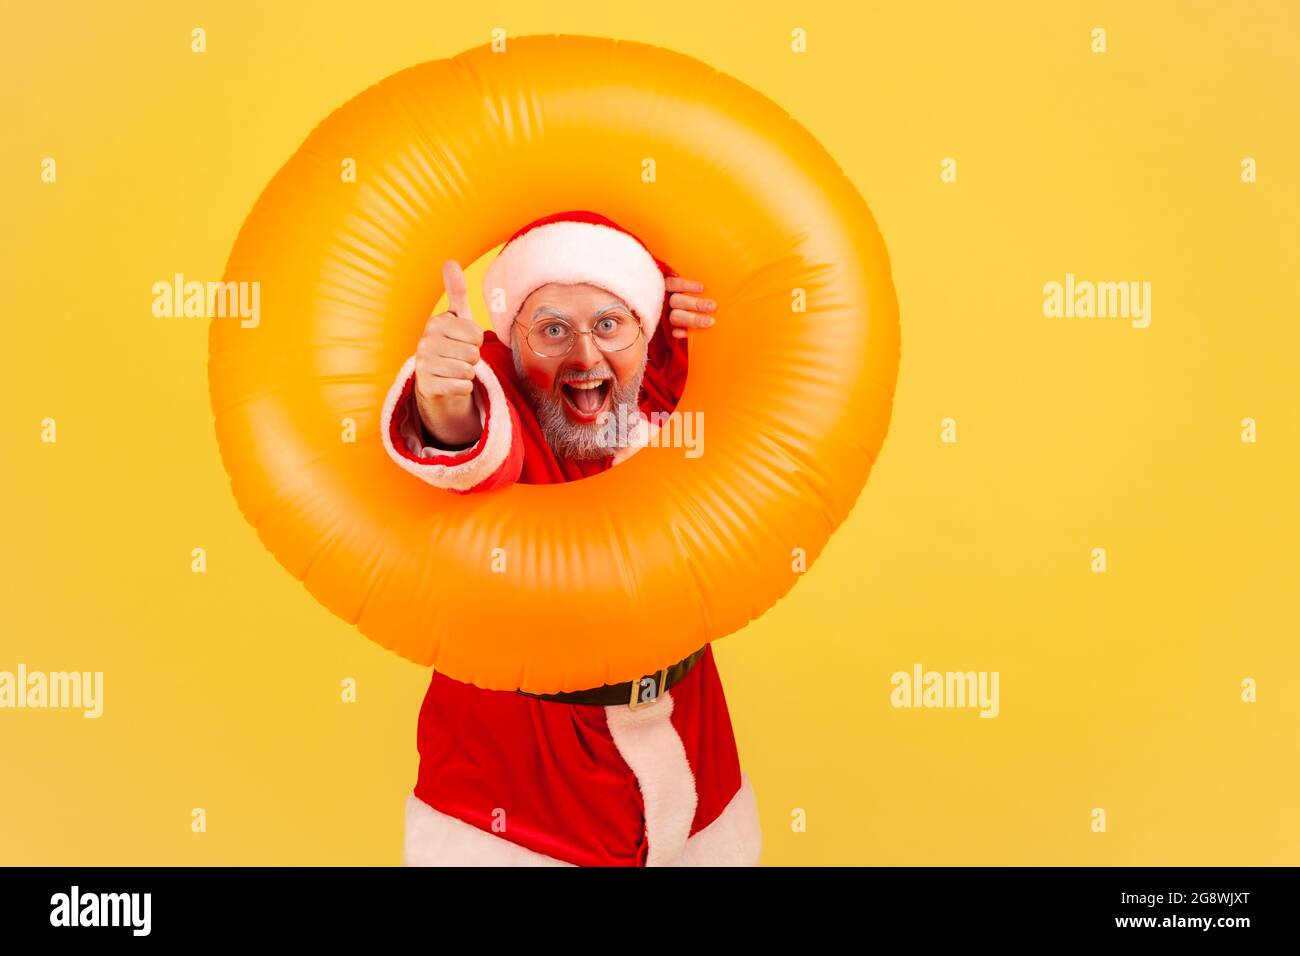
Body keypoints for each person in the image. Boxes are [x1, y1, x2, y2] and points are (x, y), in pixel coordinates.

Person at [380, 210, 760, 866]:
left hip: (695, 771)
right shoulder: (503, 398)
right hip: (521, 806)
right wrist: (442, 400)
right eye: (552, 329)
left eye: (609, 324)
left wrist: (719, 310)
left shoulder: (657, 406)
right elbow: (471, 442)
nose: (583, 357)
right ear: (512, 345)